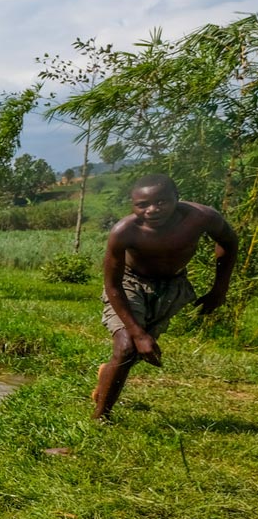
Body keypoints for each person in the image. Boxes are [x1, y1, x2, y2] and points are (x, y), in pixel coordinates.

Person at [92, 174, 237, 421]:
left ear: (176, 199)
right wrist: (137, 333)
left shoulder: (201, 218)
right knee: (128, 344)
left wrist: (219, 289)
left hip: (171, 286)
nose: (152, 210)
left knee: (137, 351)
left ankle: (108, 374)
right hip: (129, 283)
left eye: (161, 202)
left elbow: (229, 242)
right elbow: (112, 284)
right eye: (142, 205)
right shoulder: (124, 231)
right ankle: (100, 419)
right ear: (132, 205)